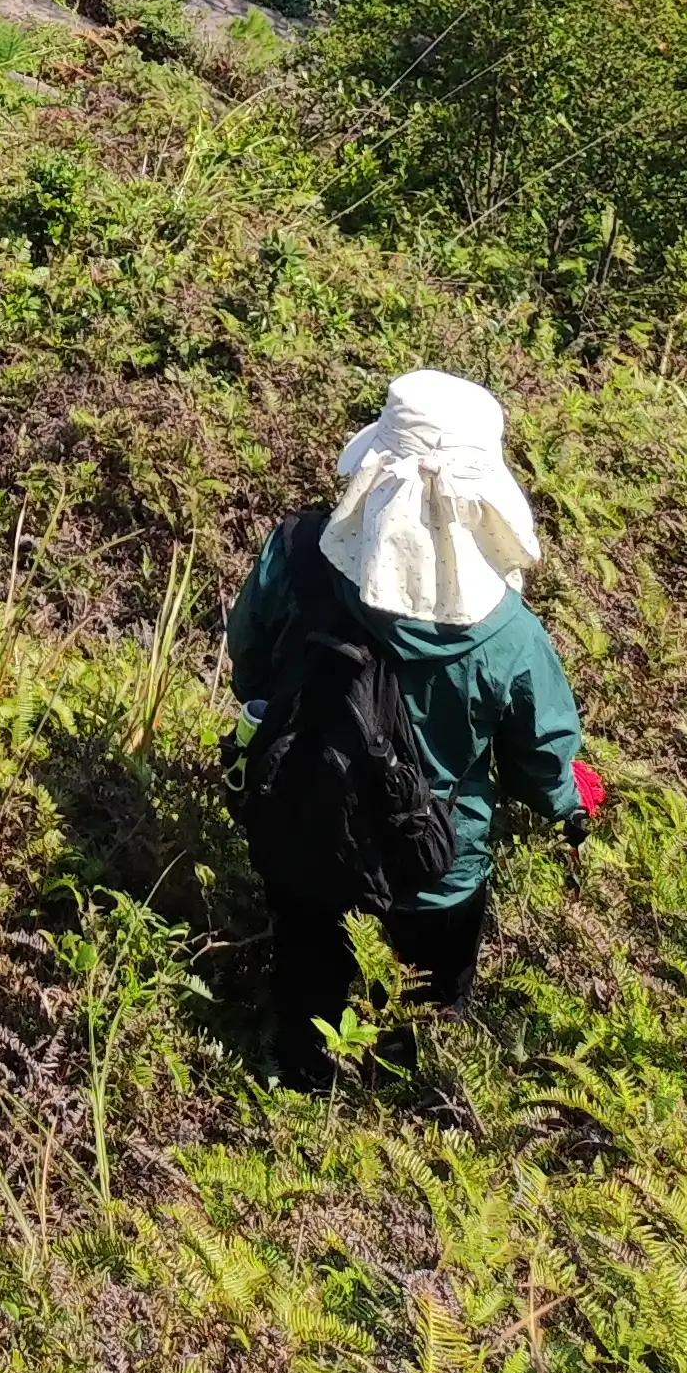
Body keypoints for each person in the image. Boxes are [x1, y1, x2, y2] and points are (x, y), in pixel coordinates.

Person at [228, 369, 594, 1089]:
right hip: (434, 877)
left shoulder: (298, 554)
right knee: (418, 1021)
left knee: (306, 980)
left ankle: (299, 1087)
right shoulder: (511, 637)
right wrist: (575, 807)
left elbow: (250, 667)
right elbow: (543, 767)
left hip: (302, 832)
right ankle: (388, 1110)